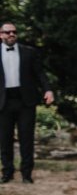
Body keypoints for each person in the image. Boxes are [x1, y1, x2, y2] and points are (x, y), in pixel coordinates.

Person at [0, 22, 54, 184]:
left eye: (14, 32)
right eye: (7, 32)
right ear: (1, 35)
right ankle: (7, 172)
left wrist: (48, 90)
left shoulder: (28, 52)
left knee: (26, 138)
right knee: (4, 139)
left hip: (25, 101)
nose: (11, 35)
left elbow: (40, 74)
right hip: (3, 101)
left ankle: (26, 174)